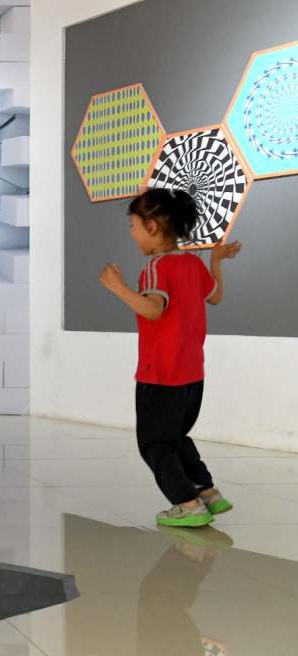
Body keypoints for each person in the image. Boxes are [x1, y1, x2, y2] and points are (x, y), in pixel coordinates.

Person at [99, 188, 240, 529]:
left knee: (154, 444)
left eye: (133, 226)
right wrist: (215, 261)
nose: (132, 234)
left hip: (161, 374)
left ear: (151, 227)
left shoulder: (155, 267)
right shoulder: (192, 263)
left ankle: (188, 504)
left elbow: (153, 310)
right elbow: (216, 297)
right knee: (176, 437)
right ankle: (208, 492)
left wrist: (117, 287)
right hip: (192, 374)